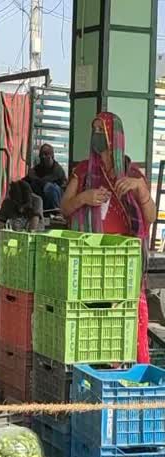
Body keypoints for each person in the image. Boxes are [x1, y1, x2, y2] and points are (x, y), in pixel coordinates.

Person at [60, 112, 156, 363]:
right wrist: (84, 198)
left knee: (125, 319)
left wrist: (140, 188)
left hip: (124, 262)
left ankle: (127, 370)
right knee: (96, 319)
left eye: (101, 130)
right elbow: (64, 208)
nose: (96, 136)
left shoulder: (132, 173)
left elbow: (151, 216)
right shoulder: (83, 171)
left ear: (115, 136)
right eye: (93, 130)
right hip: (91, 259)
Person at [28, 143, 66, 211]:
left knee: (49, 187)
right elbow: (29, 178)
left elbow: (44, 181)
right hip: (44, 200)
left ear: (52, 156)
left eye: (46, 154)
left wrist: (34, 177)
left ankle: (56, 212)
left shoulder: (57, 169)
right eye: (41, 155)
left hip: (59, 200)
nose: (43, 157)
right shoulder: (39, 167)